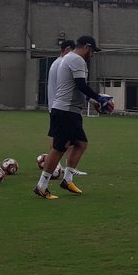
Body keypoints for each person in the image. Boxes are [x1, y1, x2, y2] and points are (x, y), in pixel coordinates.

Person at [34, 35, 111, 199]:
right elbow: (81, 85)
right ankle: (41, 186)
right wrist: (99, 98)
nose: (93, 55)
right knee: (59, 148)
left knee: (81, 143)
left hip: (70, 111)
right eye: (92, 51)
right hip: (65, 111)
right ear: (87, 47)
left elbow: (76, 88)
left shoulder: (71, 59)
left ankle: (67, 180)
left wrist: (92, 100)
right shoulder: (76, 59)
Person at [43, 39, 86, 178]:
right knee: (62, 142)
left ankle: (61, 169)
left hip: (57, 106)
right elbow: (67, 86)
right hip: (63, 107)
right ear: (67, 49)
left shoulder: (58, 63)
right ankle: (59, 169)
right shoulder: (63, 63)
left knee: (65, 140)